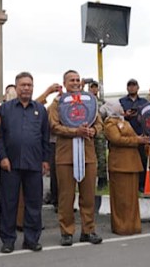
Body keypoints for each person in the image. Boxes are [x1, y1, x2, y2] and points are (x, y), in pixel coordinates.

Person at [47, 70, 103, 246]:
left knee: (88, 196)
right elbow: (53, 126)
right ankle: (67, 232)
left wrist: (94, 131)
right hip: (65, 155)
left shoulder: (89, 101)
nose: (76, 82)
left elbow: (99, 122)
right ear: (64, 83)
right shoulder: (58, 103)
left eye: (78, 80)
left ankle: (88, 230)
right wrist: (74, 132)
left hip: (88, 155)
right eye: (71, 80)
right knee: (66, 196)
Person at [0, 72, 50, 253]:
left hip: (34, 164)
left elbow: (45, 137)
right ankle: (8, 240)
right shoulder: (5, 109)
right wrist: (2, 157)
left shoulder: (40, 110)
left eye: (29, 85)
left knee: (34, 204)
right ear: (16, 87)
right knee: (8, 204)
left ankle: (31, 239)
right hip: (10, 164)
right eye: (23, 85)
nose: (26, 88)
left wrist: (45, 160)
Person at [102, 99, 145, 235]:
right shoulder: (109, 124)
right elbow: (117, 140)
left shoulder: (124, 122)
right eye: (118, 105)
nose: (120, 107)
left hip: (132, 163)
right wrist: (137, 140)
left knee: (132, 198)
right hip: (119, 165)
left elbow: (130, 137)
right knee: (121, 198)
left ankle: (133, 226)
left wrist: (140, 138)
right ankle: (121, 226)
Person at [119, 79, 149, 192]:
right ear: (127, 88)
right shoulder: (121, 101)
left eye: (134, 85)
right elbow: (117, 116)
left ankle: (141, 185)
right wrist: (125, 115)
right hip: (127, 135)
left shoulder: (144, 101)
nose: (132, 88)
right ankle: (129, 185)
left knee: (142, 160)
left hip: (141, 134)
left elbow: (149, 117)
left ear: (138, 87)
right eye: (130, 86)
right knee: (127, 160)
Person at [87, 80, 109, 191]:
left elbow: (106, 116)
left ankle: (102, 179)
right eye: (92, 87)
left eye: (96, 87)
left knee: (101, 157)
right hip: (87, 132)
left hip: (99, 133)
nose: (94, 89)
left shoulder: (102, 102)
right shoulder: (86, 101)